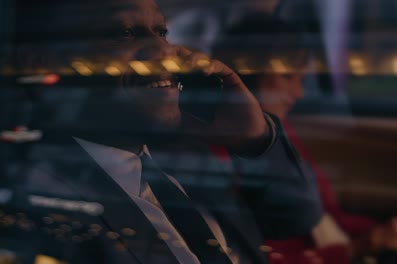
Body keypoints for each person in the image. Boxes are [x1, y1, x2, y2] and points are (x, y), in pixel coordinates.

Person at [1, 1, 323, 263]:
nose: (164, 52)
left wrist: (255, 138)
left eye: (162, 32)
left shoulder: (186, 156)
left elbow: (294, 220)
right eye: (125, 32)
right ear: (41, 64)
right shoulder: (31, 193)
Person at [213, 13, 397, 264]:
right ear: (245, 75)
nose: (299, 92)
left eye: (301, 78)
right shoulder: (220, 156)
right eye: (288, 77)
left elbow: (327, 217)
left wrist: (385, 231)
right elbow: (252, 255)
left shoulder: (276, 132)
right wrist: (357, 248)